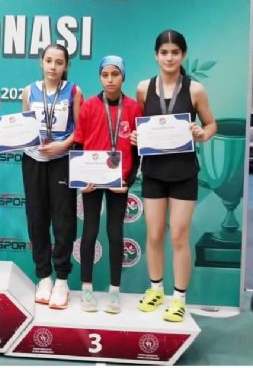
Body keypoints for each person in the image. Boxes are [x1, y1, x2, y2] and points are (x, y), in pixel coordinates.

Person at [133, 30, 216, 322]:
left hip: (183, 173)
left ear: (183, 55)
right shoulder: (143, 88)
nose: (169, 58)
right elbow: (138, 125)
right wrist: (135, 136)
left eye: (175, 52)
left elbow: (211, 124)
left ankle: (179, 297)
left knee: (179, 235)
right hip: (153, 172)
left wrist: (202, 134)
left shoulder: (195, 90)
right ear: (156, 56)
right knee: (154, 234)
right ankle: (156, 289)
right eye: (164, 52)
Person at [73, 56, 142, 314]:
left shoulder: (134, 108)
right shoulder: (89, 106)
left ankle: (114, 291)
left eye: (115, 74)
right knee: (89, 231)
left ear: (123, 76)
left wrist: (128, 182)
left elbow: (139, 151)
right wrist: (80, 180)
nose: (110, 80)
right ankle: (86, 289)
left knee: (115, 233)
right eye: (105, 75)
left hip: (119, 182)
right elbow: (79, 144)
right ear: (100, 77)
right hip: (92, 180)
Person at [20, 44, 82, 309]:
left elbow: (80, 130)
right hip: (33, 160)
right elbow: (24, 128)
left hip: (62, 160)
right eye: (48, 61)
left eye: (59, 62)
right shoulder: (29, 91)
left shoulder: (74, 91)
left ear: (66, 65)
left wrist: (63, 145)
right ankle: (44, 277)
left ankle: (62, 280)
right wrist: (5, 143)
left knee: (63, 219)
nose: (53, 67)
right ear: (41, 62)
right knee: (37, 218)